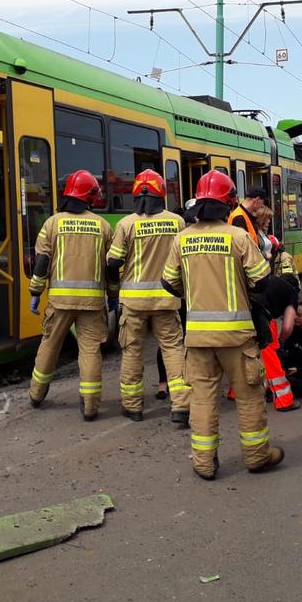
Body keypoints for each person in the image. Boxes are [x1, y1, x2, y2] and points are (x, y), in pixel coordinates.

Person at [162, 170, 284, 480]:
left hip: (198, 338)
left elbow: (169, 283)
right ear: (228, 203)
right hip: (237, 336)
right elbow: (263, 281)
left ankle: (203, 463)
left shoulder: (182, 238)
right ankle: (257, 457)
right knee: (249, 396)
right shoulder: (238, 237)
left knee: (202, 399)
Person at [28, 170, 115, 421]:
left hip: (60, 302)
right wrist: (112, 295)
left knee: (50, 346)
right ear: (91, 196)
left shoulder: (52, 224)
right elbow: (111, 267)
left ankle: (36, 394)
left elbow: (42, 262)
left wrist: (35, 292)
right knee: (90, 351)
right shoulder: (102, 226)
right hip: (92, 303)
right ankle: (90, 406)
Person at [107, 170, 189, 425]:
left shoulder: (126, 224)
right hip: (167, 299)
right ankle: (181, 406)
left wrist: (114, 287)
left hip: (134, 302)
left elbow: (113, 261)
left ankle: (133, 407)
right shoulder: (177, 222)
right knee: (173, 350)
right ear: (161, 192)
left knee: (132, 351)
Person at [260, 275, 301, 411]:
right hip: (263, 319)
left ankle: (235, 393)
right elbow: (288, 326)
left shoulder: (269, 281)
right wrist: (281, 340)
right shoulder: (292, 293)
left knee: (244, 355)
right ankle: (284, 400)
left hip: (243, 316)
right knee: (272, 359)